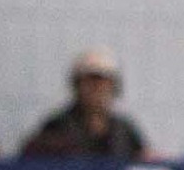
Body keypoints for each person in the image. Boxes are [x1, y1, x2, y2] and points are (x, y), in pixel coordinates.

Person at [21, 47, 149, 159]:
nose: (96, 89)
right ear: (77, 85)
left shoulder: (124, 131)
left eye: (102, 83)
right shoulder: (56, 128)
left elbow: (142, 164)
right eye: (90, 83)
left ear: (113, 87)